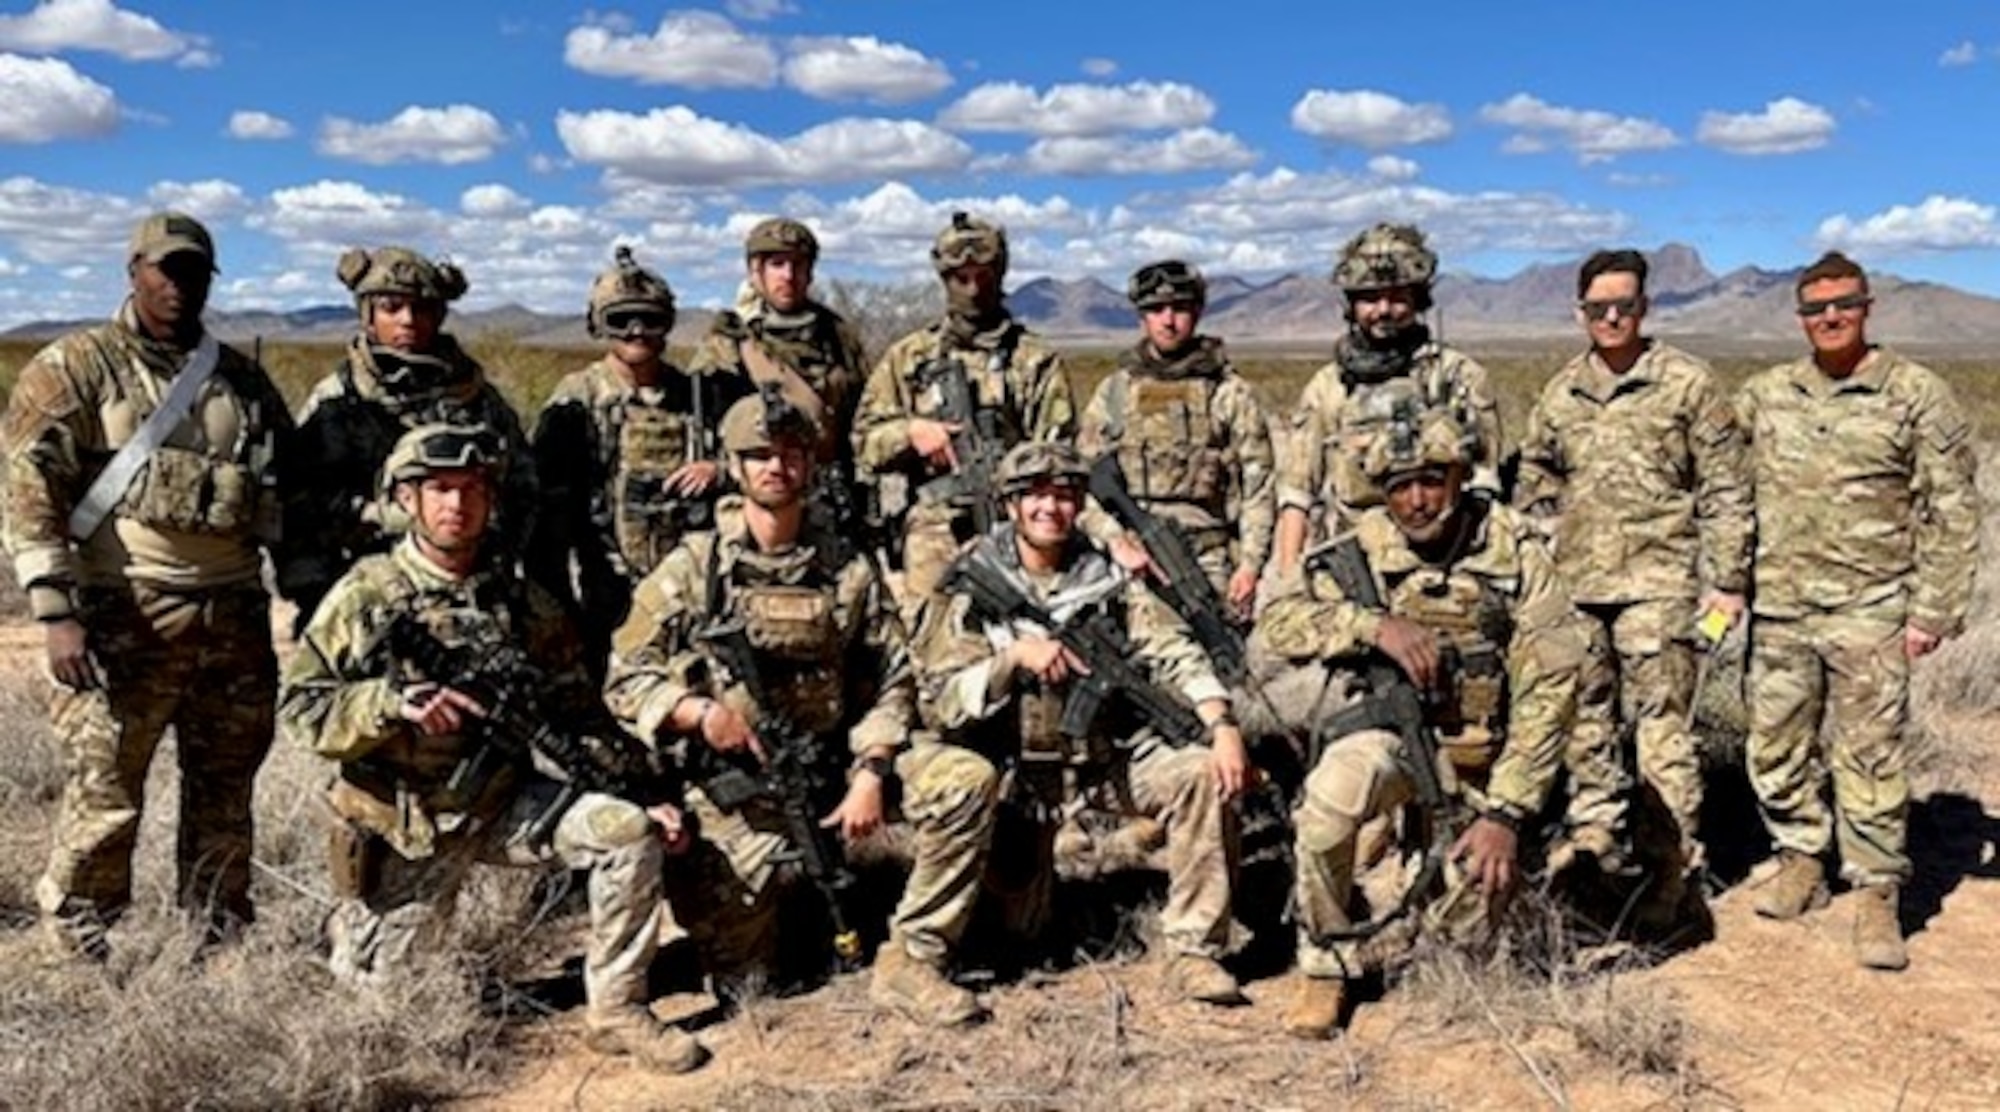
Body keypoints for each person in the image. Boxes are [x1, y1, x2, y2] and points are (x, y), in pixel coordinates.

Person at [278, 423, 707, 1074]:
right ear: (407, 500)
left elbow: (579, 716)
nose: (457, 505)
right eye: (440, 490)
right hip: (409, 826)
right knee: (390, 1023)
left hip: (501, 803)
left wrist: (642, 792)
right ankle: (354, 933)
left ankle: (617, 1012)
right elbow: (301, 707)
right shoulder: (368, 595)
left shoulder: (520, 600)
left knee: (627, 833)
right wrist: (391, 707)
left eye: (472, 490)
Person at [1, 212, 291, 960]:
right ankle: (79, 948)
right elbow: (28, 483)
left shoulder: (242, 378)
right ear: (133, 270)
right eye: (165, 268)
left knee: (225, 790)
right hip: (120, 611)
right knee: (106, 794)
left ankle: (217, 938)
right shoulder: (76, 365)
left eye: (193, 271)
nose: (178, 284)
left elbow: (289, 491)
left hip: (232, 616)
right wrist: (54, 608)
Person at [886, 440, 1253, 1025]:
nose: (1050, 509)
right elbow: (941, 698)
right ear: (1009, 505)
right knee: (1019, 932)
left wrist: (1221, 722)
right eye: (1034, 496)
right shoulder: (973, 579)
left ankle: (1194, 949)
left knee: (1200, 773)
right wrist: (1011, 662)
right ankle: (913, 958)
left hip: (1100, 763)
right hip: (1011, 773)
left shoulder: (1107, 573)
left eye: (1064, 496)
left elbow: (1170, 648)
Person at [1255, 409, 1593, 1038]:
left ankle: (1435, 891)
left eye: (1432, 481)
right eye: (1400, 485)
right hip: (1390, 742)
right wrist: (1369, 625)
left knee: (1464, 936)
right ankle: (1326, 962)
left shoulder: (1516, 554)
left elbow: (1552, 688)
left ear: (1461, 477)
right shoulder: (1359, 551)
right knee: (1328, 806)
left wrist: (1506, 815)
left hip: (1487, 759)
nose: (1416, 500)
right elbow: (1280, 624)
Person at [605, 390, 935, 994]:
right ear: (734, 466)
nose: (775, 467)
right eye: (759, 455)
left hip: (833, 767)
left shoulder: (847, 569)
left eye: (789, 453)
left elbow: (895, 676)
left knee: (957, 783)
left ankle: (920, 943)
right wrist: (695, 712)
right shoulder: (694, 567)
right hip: (736, 788)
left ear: (809, 465)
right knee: (747, 981)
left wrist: (872, 767)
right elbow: (625, 674)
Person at [1736, 251, 1978, 971]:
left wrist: (1934, 609)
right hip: (1780, 608)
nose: (1830, 317)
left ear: (1867, 307)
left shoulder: (1914, 393)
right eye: (1814, 308)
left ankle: (1876, 894)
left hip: (1872, 609)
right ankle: (1802, 858)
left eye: (1843, 304)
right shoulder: (1768, 393)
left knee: (1870, 756)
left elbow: (1953, 507)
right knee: (1776, 744)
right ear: (1799, 316)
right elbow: (1708, 459)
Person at [1515, 248, 1753, 883]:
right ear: (1580, 313)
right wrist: (1541, 541)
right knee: (1585, 721)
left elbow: (1726, 487)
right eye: (1599, 307)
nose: (1612, 316)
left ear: (1646, 307)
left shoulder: (1687, 383)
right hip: (1576, 588)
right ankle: (1598, 846)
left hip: (1660, 586)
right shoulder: (1562, 390)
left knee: (1663, 731)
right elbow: (1536, 473)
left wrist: (1728, 583)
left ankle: (1669, 865)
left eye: (1625, 305)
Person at [279, 245, 536, 630]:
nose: (408, 320)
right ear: (367, 315)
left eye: (422, 308)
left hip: (462, 587)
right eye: (391, 307)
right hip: (355, 590)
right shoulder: (336, 400)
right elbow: (299, 505)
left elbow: (522, 488)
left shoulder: (476, 398)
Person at [528, 246, 747, 670]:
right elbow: (549, 508)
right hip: (605, 580)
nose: (636, 331)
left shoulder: (698, 398)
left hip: (689, 578)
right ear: (599, 324)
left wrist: (718, 469)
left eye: (650, 320)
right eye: (620, 320)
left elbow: (757, 468)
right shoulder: (579, 397)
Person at [853, 212, 1076, 626]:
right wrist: (911, 432)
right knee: (933, 637)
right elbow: (864, 442)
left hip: (1016, 525)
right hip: (934, 528)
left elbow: (1060, 455)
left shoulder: (1033, 360)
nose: (973, 289)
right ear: (944, 279)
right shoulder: (909, 358)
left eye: (985, 277)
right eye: (961, 278)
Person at [1273, 223, 1503, 576]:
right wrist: (1288, 580)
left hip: (1445, 563)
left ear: (1418, 299)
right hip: (1357, 565)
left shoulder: (1459, 377)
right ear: (1351, 305)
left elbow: (1485, 484)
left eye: (1398, 296)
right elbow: (1298, 494)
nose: (1384, 309)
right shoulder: (1328, 388)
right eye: (1370, 298)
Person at [1077, 258, 1276, 624]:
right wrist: (1113, 539)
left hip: (1206, 559)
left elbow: (1258, 488)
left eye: (1180, 308)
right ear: (1141, 317)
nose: (1168, 320)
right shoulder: (1116, 392)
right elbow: (1081, 481)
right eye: (1156, 310)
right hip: (1126, 554)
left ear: (1198, 312)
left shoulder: (1228, 392)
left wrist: (1249, 567)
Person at [687, 217, 867, 529]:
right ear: (755, 271)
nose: (788, 275)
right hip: (760, 498)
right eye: (777, 264)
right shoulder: (730, 343)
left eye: (798, 264)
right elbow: (709, 429)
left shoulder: (837, 337)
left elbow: (860, 418)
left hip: (832, 496)